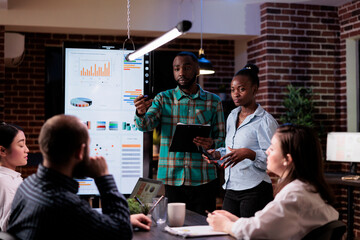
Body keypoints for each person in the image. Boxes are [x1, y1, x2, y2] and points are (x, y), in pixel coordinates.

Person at [7, 115, 151, 240]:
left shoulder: (27, 185)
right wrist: (104, 178)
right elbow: (121, 234)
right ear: (80, 152)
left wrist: (124, 220)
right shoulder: (65, 204)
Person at [206, 124, 339, 240]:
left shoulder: (294, 194)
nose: (267, 151)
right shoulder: (309, 189)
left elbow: (256, 231)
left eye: (272, 148)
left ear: (287, 159)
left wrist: (226, 225)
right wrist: (234, 220)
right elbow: (264, 224)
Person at [134, 51, 225, 215]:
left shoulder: (214, 101)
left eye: (186, 68)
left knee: (205, 230)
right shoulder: (163, 99)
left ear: (197, 69)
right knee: (174, 229)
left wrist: (211, 143)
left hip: (204, 178)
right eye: (176, 69)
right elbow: (145, 125)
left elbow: (222, 139)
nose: (181, 73)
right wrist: (141, 113)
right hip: (172, 178)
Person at [204, 64, 278, 217]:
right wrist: (218, 155)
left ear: (254, 89)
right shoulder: (232, 116)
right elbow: (233, 150)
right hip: (232, 187)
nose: (236, 94)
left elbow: (274, 158)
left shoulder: (265, 121)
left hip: (255, 189)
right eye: (232, 90)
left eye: (241, 89)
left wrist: (250, 154)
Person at [0, 122, 29, 231]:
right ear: (3, 150)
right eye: (21, 145)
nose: (27, 149)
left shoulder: (10, 178)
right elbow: (11, 225)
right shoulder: (6, 182)